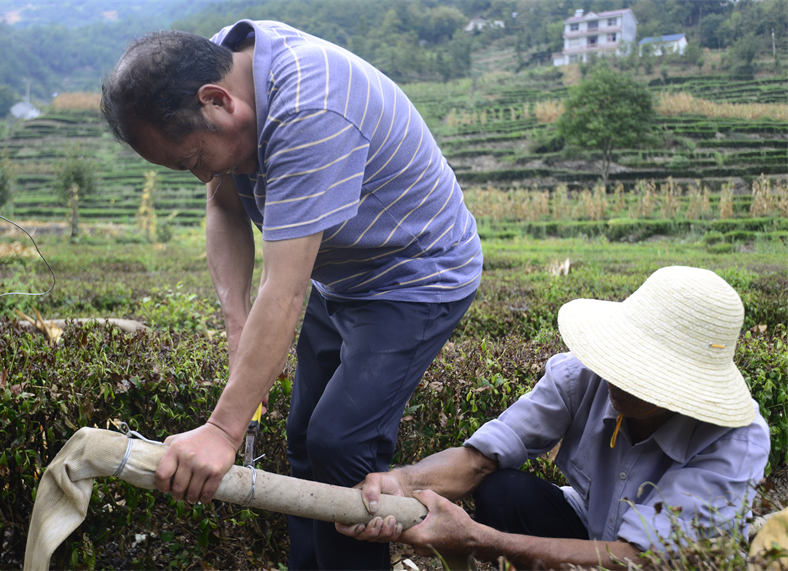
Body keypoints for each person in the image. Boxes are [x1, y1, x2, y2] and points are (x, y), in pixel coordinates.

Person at [100, 21, 482, 569]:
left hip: (414, 276)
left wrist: (222, 430)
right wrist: (236, 324)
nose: (200, 174)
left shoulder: (311, 112)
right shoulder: (216, 66)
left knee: (341, 444)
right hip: (342, 269)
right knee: (302, 435)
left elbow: (285, 287)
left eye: (191, 160)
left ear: (217, 102)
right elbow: (224, 208)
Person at [337, 265, 770, 569]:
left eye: (645, 376)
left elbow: (642, 560)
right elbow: (479, 459)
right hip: (589, 525)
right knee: (505, 490)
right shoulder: (582, 377)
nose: (619, 379)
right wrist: (403, 483)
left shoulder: (734, 440)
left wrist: (479, 540)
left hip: (663, 564)